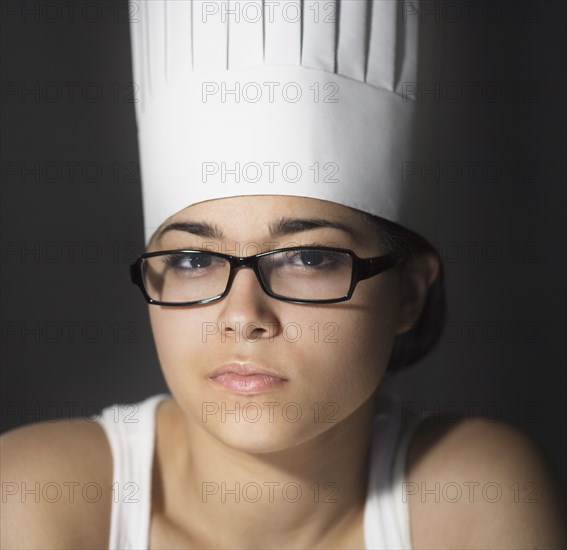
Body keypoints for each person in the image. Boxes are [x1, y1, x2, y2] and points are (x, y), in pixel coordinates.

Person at [2, 1, 566, 549]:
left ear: (409, 293)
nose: (242, 316)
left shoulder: (477, 495)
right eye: (194, 261)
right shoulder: (33, 498)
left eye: (307, 257)